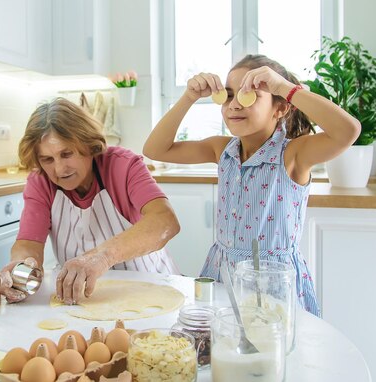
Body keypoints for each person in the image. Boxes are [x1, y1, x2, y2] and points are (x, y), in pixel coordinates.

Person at [143, 55, 360, 316]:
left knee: (274, 350)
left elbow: (348, 131)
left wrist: (285, 88)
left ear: (280, 108)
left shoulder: (293, 155)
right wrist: (189, 97)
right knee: (220, 348)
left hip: (272, 282)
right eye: (229, 95)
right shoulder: (221, 149)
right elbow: (155, 149)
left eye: (249, 95)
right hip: (222, 272)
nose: (234, 105)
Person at [0, 98, 180, 305]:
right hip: (86, 301)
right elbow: (29, 243)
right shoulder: (40, 181)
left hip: (151, 291)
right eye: (47, 159)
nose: (59, 169)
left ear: (88, 145)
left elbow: (165, 221)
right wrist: (22, 269)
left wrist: (102, 256)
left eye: (66, 154)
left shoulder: (122, 165)